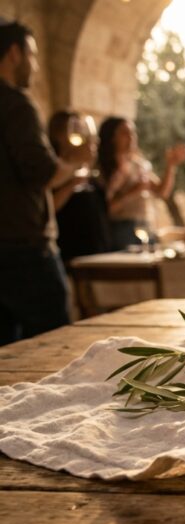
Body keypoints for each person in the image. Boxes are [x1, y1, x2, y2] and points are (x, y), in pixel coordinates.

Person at [0, 19, 88, 344]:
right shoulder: (17, 105)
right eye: (32, 55)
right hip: (25, 250)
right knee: (52, 349)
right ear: (13, 53)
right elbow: (43, 173)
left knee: (6, 359)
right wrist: (74, 163)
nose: (35, 65)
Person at [96, 116, 185, 250]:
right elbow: (107, 208)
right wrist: (134, 191)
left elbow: (162, 192)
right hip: (121, 228)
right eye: (124, 133)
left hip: (145, 225)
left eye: (133, 132)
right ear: (111, 137)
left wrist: (170, 166)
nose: (131, 137)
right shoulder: (103, 169)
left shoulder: (138, 165)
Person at [47, 110, 112, 264]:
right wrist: (72, 182)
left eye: (80, 128)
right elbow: (49, 207)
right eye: (71, 128)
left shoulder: (88, 168)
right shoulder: (51, 169)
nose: (78, 133)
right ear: (57, 134)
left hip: (97, 250)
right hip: (70, 249)